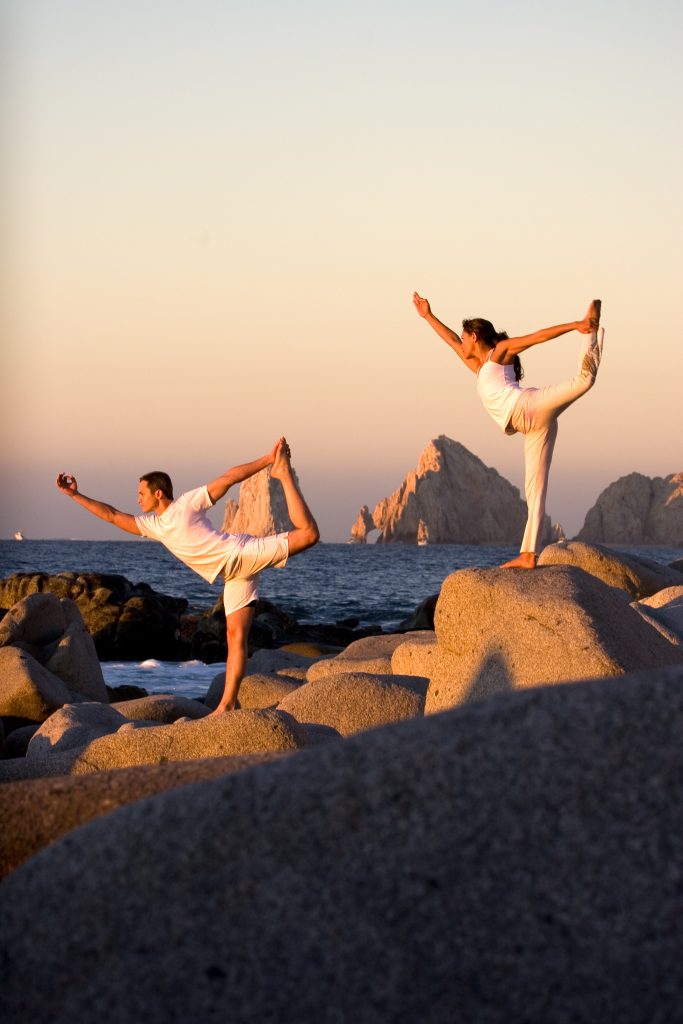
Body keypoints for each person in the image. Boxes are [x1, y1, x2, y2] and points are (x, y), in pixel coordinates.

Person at [56, 437, 319, 711]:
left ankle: (283, 475)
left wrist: (268, 460)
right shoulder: (155, 526)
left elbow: (228, 479)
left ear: (159, 493)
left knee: (309, 534)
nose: (137, 498)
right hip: (233, 575)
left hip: (240, 554)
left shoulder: (187, 504)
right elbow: (111, 515)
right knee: (235, 637)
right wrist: (75, 495)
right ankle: (227, 704)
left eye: (142, 493)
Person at [412, 294, 604, 568]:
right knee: (535, 491)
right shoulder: (479, 367)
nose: (462, 343)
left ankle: (590, 329)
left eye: (465, 338)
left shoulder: (499, 352)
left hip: (529, 406)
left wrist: (576, 325)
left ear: (475, 336)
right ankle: (528, 555)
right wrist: (428, 315)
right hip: (531, 425)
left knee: (584, 380)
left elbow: (536, 337)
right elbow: (451, 340)